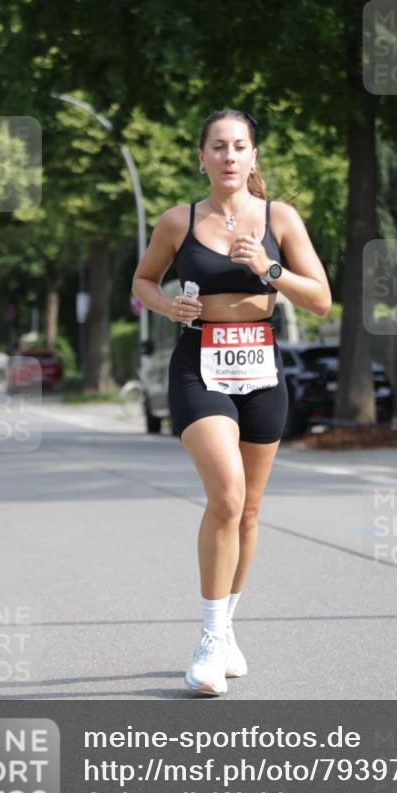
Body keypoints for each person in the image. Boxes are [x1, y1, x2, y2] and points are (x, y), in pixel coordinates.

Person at [132, 108, 331, 696]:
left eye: (239, 146)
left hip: (261, 367)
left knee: (249, 512)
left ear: (253, 157)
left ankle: (229, 629)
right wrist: (169, 307)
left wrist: (267, 268)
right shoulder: (177, 221)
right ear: (202, 157)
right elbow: (143, 281)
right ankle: (210, 639)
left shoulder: (280, 218)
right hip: (199, 366)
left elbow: (320, 299)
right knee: (227, 494)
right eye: (217, 147)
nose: (228, 156)